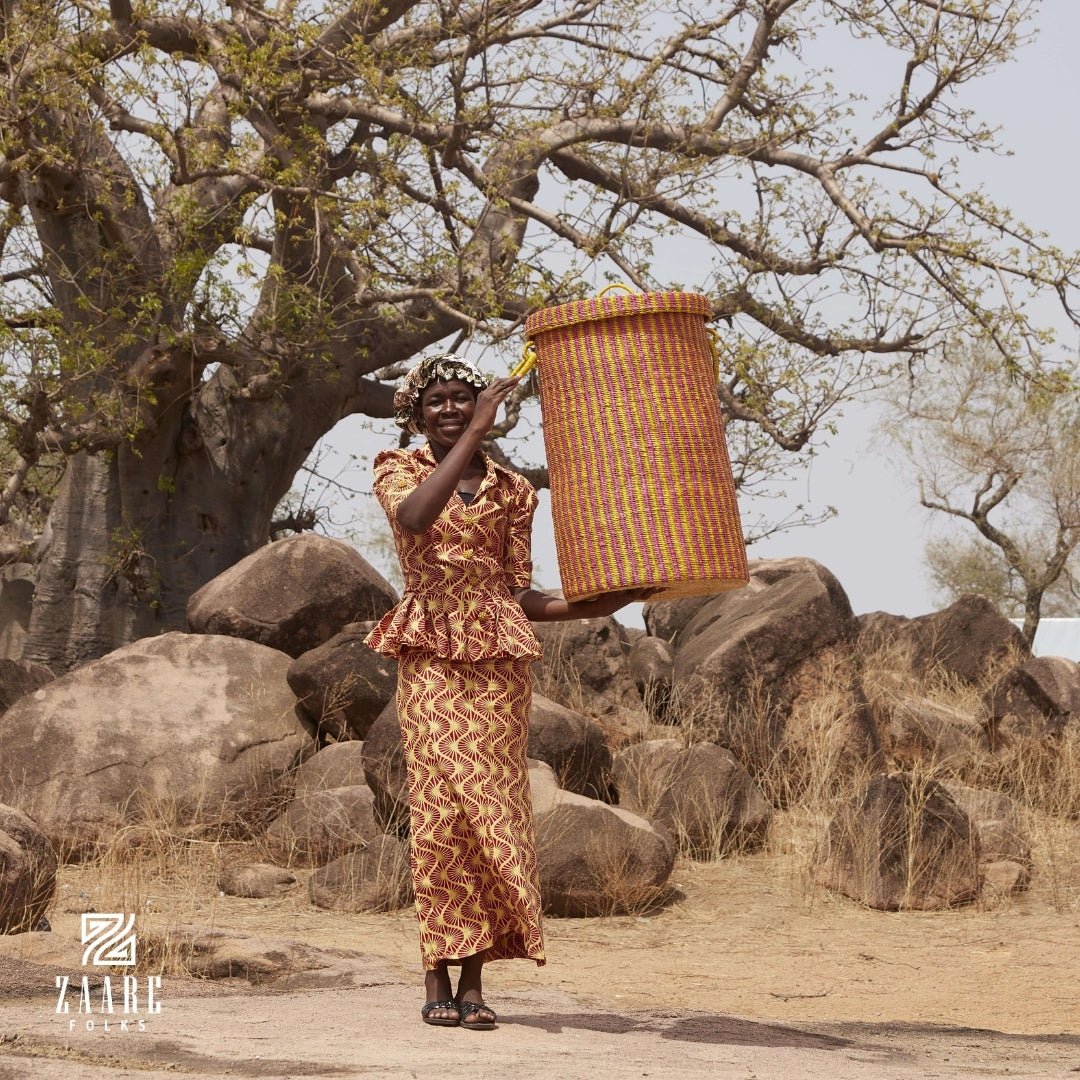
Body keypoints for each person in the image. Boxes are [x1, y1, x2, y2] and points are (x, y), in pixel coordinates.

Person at [364, 352, 649, 1030]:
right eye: (438, 401)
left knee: (492, 813)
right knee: (440, 812)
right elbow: (415, 520)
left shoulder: (515, 491)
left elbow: (519, 592)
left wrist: (605, 601)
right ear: (415, 412)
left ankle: (473, 981)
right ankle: (434, 966)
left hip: (497, 660)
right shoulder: (397, 468)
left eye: (464, 398)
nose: (453, 408)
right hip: (430, 650)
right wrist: (477, 430)